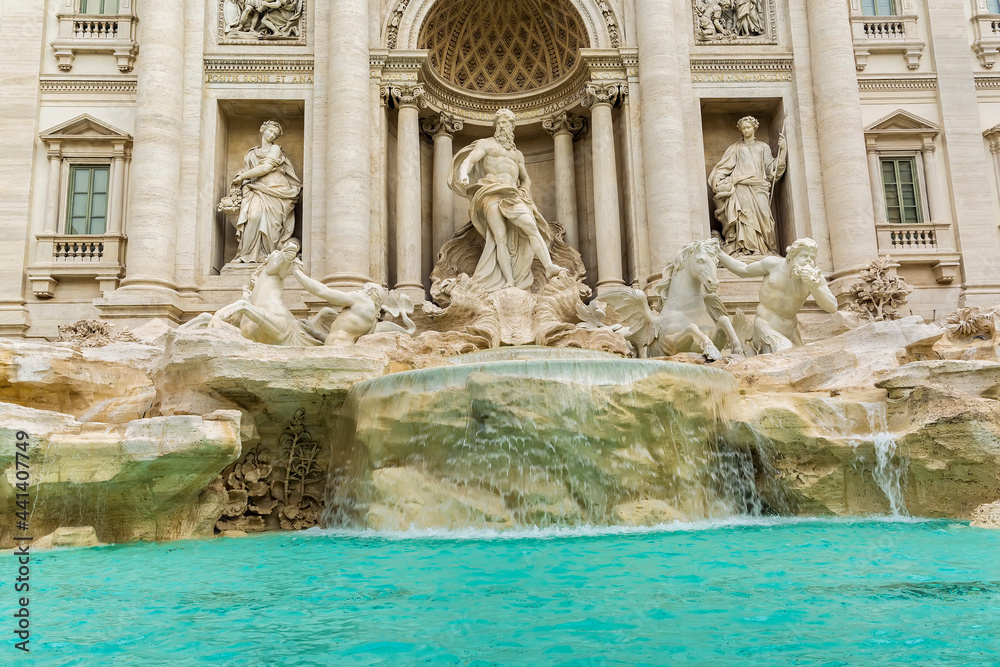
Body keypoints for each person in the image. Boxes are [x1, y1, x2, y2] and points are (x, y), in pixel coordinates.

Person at [448, 108, 567, 292]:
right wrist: (463, 174)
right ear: (495, 126)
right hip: (490, 191)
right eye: (500, 123)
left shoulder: (517, 154)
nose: (503, 126)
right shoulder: (486, 144)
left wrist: (525, 190)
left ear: (512, 126)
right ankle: (509, 281)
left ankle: (549, 267)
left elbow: (526, 178)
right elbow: (470, 161)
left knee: (531, 226)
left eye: (507, 122)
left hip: (512, 194)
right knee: (500, 237)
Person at [716, 238, 838, 354]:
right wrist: (719, 253)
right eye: (804, 256)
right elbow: (743, 270)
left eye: (812, 258)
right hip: (766, 325)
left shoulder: (816, 278)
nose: (808, 261)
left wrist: (813, 286)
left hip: (792, 330)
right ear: (792, 257)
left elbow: (832, 307)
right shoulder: (773, 265)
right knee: (787, 355)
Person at [709, 115, 786, 256]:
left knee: (765, 218)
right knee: (745, 218)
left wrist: (783, 151)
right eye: (743, 128)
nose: (746, 130)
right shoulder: (735, 148)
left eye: (748, 127)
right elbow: (724, 167)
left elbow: (772, 171)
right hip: (741, 187)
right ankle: (746, 249)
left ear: (754, 128)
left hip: (759, 187)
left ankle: (765, 249)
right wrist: (717, 179)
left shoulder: (763, 147)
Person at [230, 120, 302, 263]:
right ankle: (246, 254)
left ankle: (269, 254)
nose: (272, 135)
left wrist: (243, 176)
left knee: (272, 224)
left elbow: (265, 168)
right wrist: (240, 179)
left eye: (275, 134)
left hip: (276, 189)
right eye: (270, 131)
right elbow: (248, 169)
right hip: (257, 188)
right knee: (254, 217)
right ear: (263, 130)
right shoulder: (251, 153)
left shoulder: (275, 149)